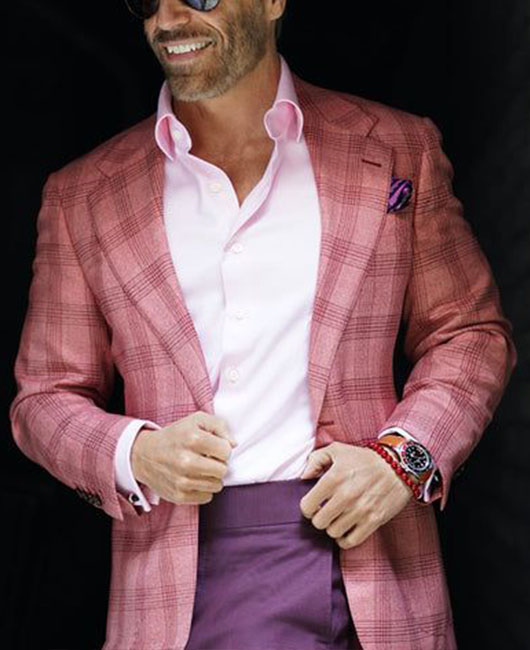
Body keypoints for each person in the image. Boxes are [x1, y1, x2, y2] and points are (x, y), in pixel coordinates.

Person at [9, 0, 516, 648]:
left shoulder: (397, 147)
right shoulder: (82, 194)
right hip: (174, 590)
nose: (167, 20)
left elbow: (468, 333)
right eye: (148, 1)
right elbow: (43, 398)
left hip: (373, 568)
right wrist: (135, 453)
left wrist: (402, 461)